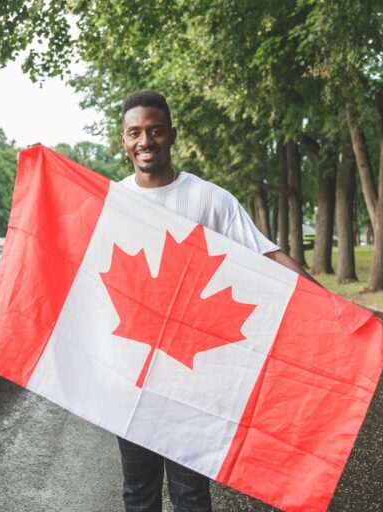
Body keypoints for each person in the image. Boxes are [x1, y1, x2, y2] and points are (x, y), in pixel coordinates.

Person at [116, 90, 317, 512]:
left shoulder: (210, 199)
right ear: (123, 140)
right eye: (135, 132)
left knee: (191, 494)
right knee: (139, 494)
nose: (145, 141)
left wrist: (332, 306)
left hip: (194, 375)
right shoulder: (112, 203)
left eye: (155, 131)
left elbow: (267, 254)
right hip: (134, 373)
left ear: (172, 135)